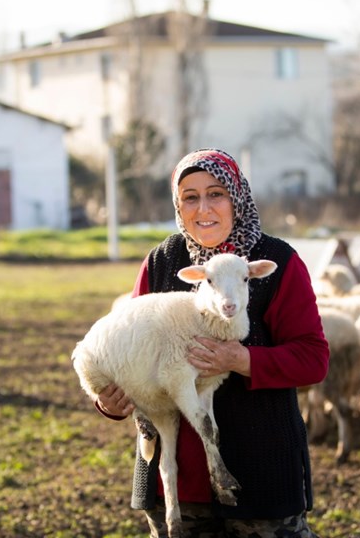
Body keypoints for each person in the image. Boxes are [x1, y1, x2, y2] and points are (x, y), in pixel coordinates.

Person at [95, 148, 329, 537]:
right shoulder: (162, 262)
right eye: (190, 196)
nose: (203, 207)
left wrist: (242, 359)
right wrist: (108, 400)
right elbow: (125, 345)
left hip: (260, 472)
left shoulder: (277, 263)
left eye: (216, 193)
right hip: (177, 483)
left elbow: (313, 358)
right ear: (178, 205)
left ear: (236, 198)